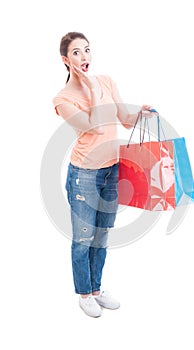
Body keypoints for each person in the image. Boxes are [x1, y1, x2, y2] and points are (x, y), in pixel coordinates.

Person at [53, 32, 156, 318]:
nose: (84, 57)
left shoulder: (107, 82)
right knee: (83, 238)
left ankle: (97, 289)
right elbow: (94, 126)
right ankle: (84, 293)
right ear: (65, 60)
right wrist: (90, 86)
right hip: (84, 175)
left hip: (112, 170)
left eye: (87, 50)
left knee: (102, 235)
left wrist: (140, 114)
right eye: (76, 53)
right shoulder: (63, 98)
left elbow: (122, 118)